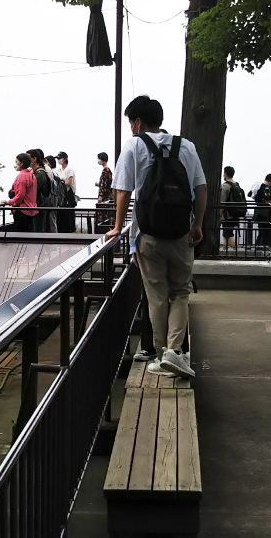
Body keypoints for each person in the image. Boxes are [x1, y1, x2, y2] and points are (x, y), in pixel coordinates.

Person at [105, 95, 207, 378]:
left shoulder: (134, 145)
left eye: (130, 122)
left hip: (147, 234)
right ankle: (175, 351)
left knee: (156, 295)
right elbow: (201, 189)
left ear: (137, 122)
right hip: (181, 233)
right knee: (181, 291)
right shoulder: (185, 146)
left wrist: (117, 227)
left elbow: (123, 190)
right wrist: (197, 224)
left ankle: (162, 353)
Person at [1, 152, 38, 232]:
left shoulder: (22, 176)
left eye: (16, 162)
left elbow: (20, 195)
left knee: (20, 235)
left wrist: (9, 202)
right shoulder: (31, 175)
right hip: (31, 209)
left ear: (21, 163)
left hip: (22, 210)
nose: (15, 164)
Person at [27, 148, 50, 232]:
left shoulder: (40, 173)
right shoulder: (35, 172)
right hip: (36, 206)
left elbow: (32, 190)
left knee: (38, 230)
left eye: (28, 157)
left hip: (39, 207)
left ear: (34, 159)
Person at [253, 174, 271, 248]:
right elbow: (270, 200)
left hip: (259, 213)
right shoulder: (268, 189)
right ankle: (261, 248)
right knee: (265, 233)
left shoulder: (257, 187)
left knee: (261, 232)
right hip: (266, 214)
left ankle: (258, 248)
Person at [55, 151, 78, 232]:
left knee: (69, 214)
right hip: (61, 195)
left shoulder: (69, 169)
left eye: (59, 158)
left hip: (69, 195)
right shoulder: (59, 170)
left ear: (65, 159)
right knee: (62, 215)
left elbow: (69, 182)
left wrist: (61, 182)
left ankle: (69, 230)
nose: (58, 160)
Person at [220, 166, 240, 250]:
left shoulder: (225, 186)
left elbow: (221, 202)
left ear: (225, 173)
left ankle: (236, 250)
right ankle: (226, 251)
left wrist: (218, 215)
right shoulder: (236, 185)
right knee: (227, 233)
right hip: (234, 214)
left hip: (226, 215)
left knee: (227, 234)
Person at [95, 152, 113, 231]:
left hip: (105, 198)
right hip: (108, 196)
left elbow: (103, 185)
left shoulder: (105, 170)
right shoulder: (108, 170)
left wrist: (100, 197)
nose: (98, 160)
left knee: (103, 217)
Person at [44, 155, 61, 232]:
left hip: (52, 197)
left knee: (51, 218)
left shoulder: (51, 171)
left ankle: (54, 235)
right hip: (56, 197)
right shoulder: (56, 172)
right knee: (53, 218)